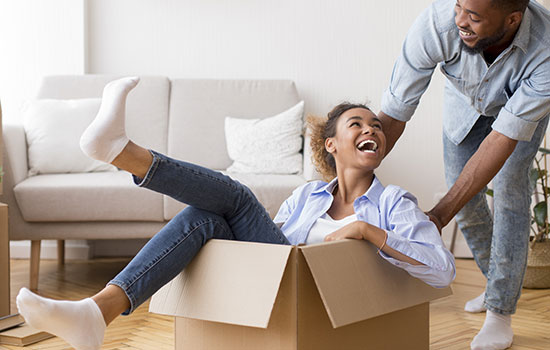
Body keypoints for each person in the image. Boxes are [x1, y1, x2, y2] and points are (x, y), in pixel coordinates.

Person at [16, 77, 455, 350]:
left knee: (238, 199)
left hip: (318, 296)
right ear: (331, 144)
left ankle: (121, 153)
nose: (371, 130)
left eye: (376, 126)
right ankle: (98, 311)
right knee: (204, 219)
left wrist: (366, 230)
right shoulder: (305, 198)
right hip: (280, 284)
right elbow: (272, 246)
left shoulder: (394, 203)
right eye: (356, 124)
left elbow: (441, 270)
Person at [377, 0, 550, 349]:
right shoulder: (437, 25)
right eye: (458, 6)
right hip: (465, 106)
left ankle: (500, 312)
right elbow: (395, 111)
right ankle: (493, 286)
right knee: (465, 202)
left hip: (517, 117)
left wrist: (439, 215)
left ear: (513, 19)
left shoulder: (545, 52)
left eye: (473, 16)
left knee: (508, 190)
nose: (460, 21)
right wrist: (354, 174)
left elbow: (503, 137)